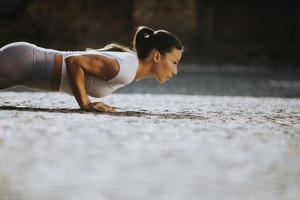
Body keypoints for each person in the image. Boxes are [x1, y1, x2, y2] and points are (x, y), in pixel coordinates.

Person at [0, 26, 183, 113]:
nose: (175, 71)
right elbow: (75, 62)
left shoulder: (129, 64)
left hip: (23, 64)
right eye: (174, 62)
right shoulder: (126, 69)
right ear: (157, 56)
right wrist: (85, 103)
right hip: (22, 63)